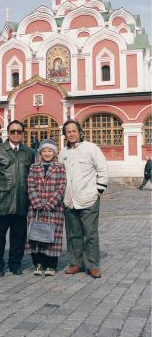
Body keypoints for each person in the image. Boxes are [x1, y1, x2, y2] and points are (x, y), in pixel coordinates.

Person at [58, 119, 108, 279]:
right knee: (73, 233)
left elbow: (103, 169)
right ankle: (76, 263)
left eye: (74, 131)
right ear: (65, 135)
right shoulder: (62, 153)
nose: (71, 134)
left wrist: (98, 191)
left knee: (90, 233)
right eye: (68, 132)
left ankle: (92, 265)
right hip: (69, 200)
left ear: (79, 132)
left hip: (88, 199)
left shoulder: (91, 148)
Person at [0, 120, 35, 277]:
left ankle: (15, 264)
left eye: (19, 131)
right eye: (13, 131)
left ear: (22, 133)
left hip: (21, 201)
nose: (16, 134)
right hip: (1, 201)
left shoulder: (29, 152)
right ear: (8, 133)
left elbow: (32, 176)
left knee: (19, 237)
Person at [27, 139, 66, 277]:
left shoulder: (60, 167)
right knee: (36, 236)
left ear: (54, 153)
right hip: (36, 208)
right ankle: (38, 263)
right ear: (40, 153)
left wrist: (50, 203)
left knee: (52, 237)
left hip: (53, 208)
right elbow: (30, 186)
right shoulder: (33, 167)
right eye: (44, 151)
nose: (47, 153)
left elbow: (61, 186)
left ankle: (51, 265)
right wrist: (37, 203)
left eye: (50, 151)